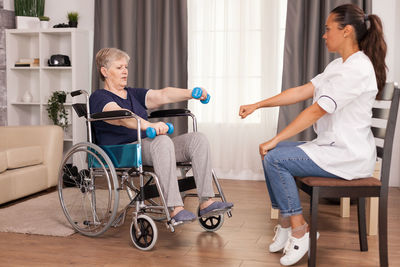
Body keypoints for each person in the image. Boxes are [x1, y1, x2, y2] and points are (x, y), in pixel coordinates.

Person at [239, 4, 386, 266]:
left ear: (347, 31)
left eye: (328, 29)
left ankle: (300, 230)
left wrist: (276, 138)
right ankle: (286, 223)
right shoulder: (339, 66)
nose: (324, 34)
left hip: (347, 156)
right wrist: (257, 105)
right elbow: (300, 91)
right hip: (332, 147)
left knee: (275, 157)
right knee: (270, 155)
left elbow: (317, 110)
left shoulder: (356, 69)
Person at [90, 47, 233, 225]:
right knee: (162, 140)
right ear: (105, 71)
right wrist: (149, 125)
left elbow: (163, 94)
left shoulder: (133, 93)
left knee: (198, 139)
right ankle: (175, 208)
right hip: (123, 151)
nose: (125, 71)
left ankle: (206, 201)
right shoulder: (99, 97)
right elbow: (121, 118)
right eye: (119, 68)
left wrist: (191, 93)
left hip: (148, 145)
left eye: (126, 67)